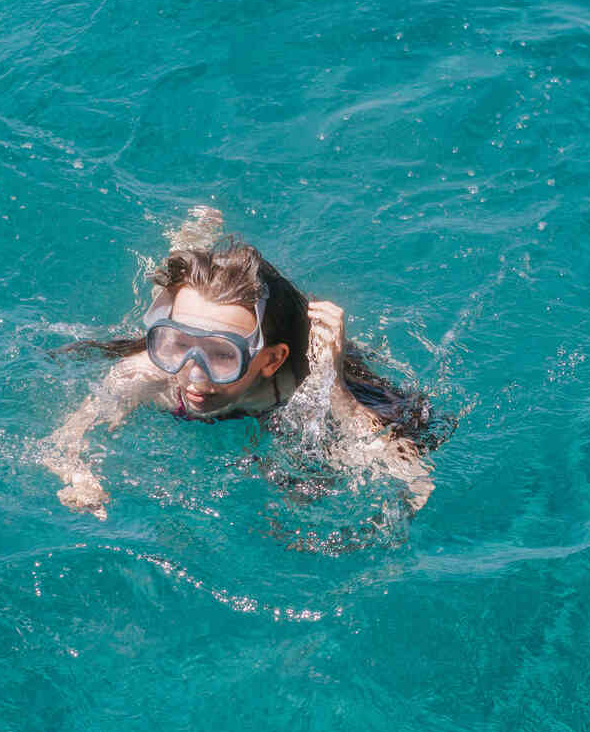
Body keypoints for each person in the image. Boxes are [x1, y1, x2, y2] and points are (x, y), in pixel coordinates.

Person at [41, 207, 445, 519]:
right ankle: (189, 246)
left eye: (221, 355)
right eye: (177, 344)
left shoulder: (293, 388)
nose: (194, 375)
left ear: (271, 360)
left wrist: (333, 383)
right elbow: (63, 442)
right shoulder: (149, 373)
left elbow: (411, 474)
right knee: (169, 289)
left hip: (298, 357)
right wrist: (80, 479)